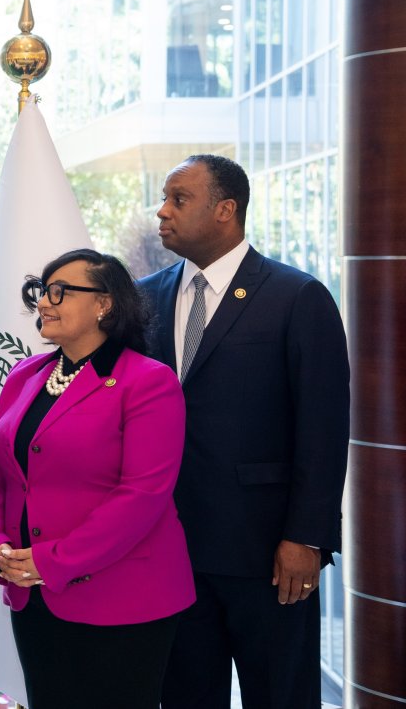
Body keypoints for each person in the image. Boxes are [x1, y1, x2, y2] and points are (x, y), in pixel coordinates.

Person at [139, 154, 349, 708]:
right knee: (184, 696)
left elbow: (324, 430)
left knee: (279, 696)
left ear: (226, 210)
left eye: (178, 199)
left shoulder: (297, 296)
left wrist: (306, 537)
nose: (162, 211)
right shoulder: (143, 299)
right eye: (164, 198)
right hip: (168, 549)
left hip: (267, 553)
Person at [0, 248, 193, 708]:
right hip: (33, 596)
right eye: (41, 291)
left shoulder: (149, 382)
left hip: (124, 600)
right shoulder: (23, 374)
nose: (44, 303)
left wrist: (52, 560)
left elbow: (142, 496)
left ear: (104, 304)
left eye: (59, 291)